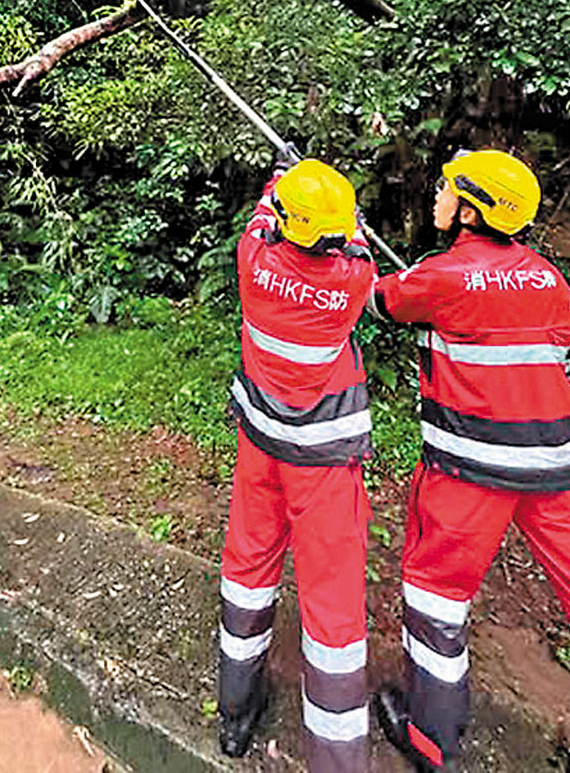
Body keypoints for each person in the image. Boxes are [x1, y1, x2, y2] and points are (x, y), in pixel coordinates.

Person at [369, 148, 570, 773]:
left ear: (470, 209)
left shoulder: (442, 276)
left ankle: (432, 740)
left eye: (446, 189)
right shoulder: (548, 278)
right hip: (555, 476)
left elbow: (381, 303)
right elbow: (560, 358)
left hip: (467, 478)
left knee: (436, 598)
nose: (437, 195)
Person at [218, 155, 376, 772]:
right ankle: (337, 759)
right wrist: (332, 204)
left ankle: (236, 714)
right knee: (332, 598)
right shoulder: (352, 281)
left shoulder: (252, 260)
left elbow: (266, 214)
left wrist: (281, 177)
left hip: (261, 448)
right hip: (324, 464)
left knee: (248, 570)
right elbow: (354, 236)